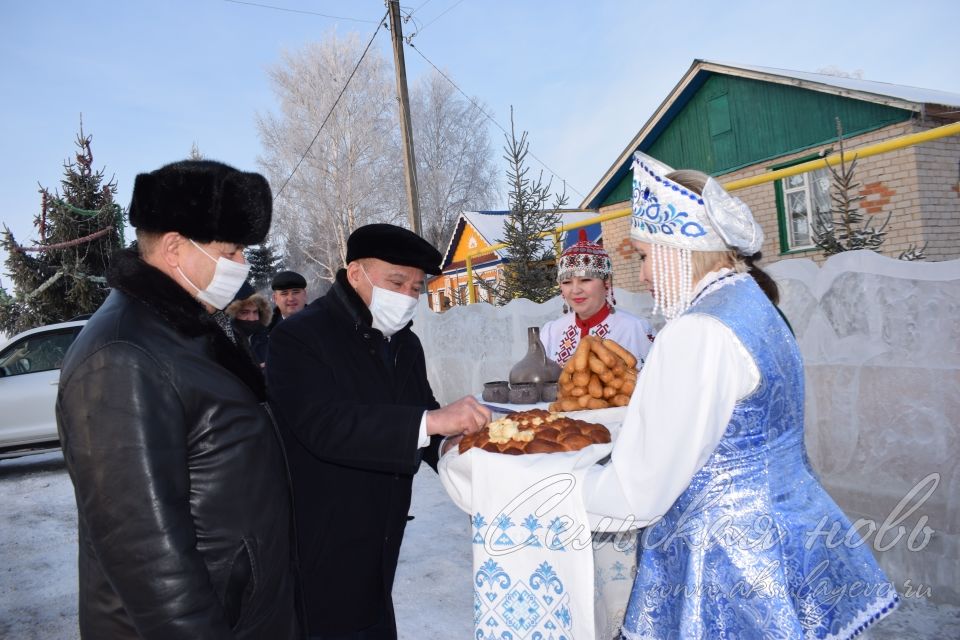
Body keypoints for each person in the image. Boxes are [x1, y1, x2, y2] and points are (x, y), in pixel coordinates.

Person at [582, 152, 897, 638]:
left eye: (644, 257)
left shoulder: (697, 332)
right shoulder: (753, 303)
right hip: (791, 528)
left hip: (730, 558)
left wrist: (546, 490)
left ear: (677, 249)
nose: (641, 276)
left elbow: (636, 494)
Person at [56, 160, 299, 639]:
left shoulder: (185, 330)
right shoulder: (122, 355)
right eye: (229, 251)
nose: (241, 266)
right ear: (173, 247)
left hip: (241, 611)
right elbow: (144, 552)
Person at [267, 223, 489, 640]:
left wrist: (464, 451)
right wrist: (433, 423)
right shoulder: (299, 338)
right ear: (355, 274)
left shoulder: (405, 343)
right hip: (322, 537)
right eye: (397, 281)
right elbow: (324, 426)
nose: (407, 296)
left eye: (416, 287)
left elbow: (425, 419)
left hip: (384, 530)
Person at [540, 229, 656, 369]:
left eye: (585, 280)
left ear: (606, 282)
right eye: (566, 282)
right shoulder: (551, 332)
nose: (575, 290)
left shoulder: (635, 329)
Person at [226, 281, 272, 367]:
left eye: (255, 312)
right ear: (233, 315)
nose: (251, 318)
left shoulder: (270, 339)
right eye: (244, 312)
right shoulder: (223, 343)